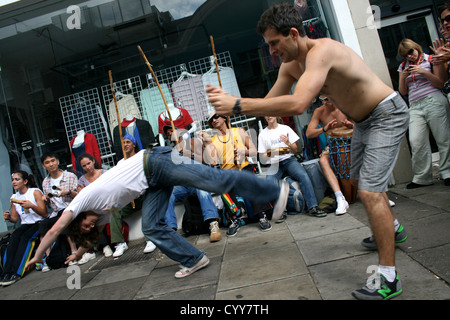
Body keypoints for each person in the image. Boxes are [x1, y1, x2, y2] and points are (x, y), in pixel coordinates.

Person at [206, 3, 410, 300]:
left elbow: (299, 103)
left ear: (293, 34)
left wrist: (237, 104)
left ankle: (389, 279)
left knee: (369, 192)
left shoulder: (321, 52)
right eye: (268, 45)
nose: (272, 51)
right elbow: (271, 101)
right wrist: (232, 106)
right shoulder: (290, 66)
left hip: (386, 114)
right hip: (363, 122)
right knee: (357, 185)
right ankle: (391, 229)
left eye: (275, 43)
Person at [25, 145, 288, 280]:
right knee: (151, 226)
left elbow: (55, 229)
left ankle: (274, 191)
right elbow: (91, 240)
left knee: (215, 181)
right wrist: (77, 254)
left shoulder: (80, 201)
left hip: (157, 161)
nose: (90, 226)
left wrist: (37, 256)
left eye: (84, 226)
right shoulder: (100, 216)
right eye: (88, 228)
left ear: (81, 219)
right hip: (154, 181)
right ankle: (194, 259)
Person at [201, 112, 274, 236]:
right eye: (211, 120)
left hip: (244, 167)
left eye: (216, 117)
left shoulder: (239, 131)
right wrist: (206, 143)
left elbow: (254, 151)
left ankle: (262, 216)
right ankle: (234, 219)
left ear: (224, 118)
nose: (213, 120)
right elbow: (212, 162)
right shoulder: (212, 140)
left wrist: (242, 152)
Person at [398, 39, 450, 188]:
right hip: (415, 105)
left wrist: (423, 72)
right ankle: (422, 177)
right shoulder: (403, 67)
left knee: (443, 138)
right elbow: (403, 92)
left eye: (410, 52)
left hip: (433, 99)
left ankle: (447, 172)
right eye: (405, 55)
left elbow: (441, 83)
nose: (409, 57)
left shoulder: (431, 59)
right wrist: (402, 76)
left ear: (416, 48)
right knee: (416, 140)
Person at [259, 115, 327, 218]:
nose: (269, 116)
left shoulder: (285, 128)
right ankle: (279, 211)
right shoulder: (263, 134)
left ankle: (312, 207)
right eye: (266, 115)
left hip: (289, 160)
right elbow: (262, 157)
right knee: (269, 181)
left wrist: (288, 143)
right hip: (274, 164)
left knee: (303, 175)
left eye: (271, 113)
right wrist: (273, 152)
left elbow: (296, 150)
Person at [110, 134, 156, 257]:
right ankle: (120, 243)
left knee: (148, 206)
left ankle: (150, 239)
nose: (125, 145)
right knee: (113, 209)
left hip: (142, 195)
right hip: (128, 199)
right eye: (123, 142)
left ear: (134, 144)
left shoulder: (141, 156)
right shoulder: (121, 163)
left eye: (128, 142)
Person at [305, 96, 352, 215]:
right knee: (323, 161)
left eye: (326, 99)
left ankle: (377, 192)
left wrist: (352, 126)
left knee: (366, 153)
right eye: (322, 99)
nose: (324, 102)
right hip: (331, 146)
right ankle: (340, 197)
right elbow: (309, 133)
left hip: (352, 143)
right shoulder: (319, 111)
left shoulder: (346, 106)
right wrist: (324, 129)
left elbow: (363, 125)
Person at [1, 171, 47, 286]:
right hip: (26, 224)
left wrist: (31, 206)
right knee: (15, 236)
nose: (14, 182)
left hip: (39, 222)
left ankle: (17, 272)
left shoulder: (35, 192)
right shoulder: (14, 198)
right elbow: (15, 219)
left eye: (17, 179)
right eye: (13, 180)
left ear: (25, 181)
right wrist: (8, 218)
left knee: (26, 237)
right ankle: (7, 272)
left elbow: (45, 214)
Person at [39, 152, 78, 271]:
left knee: (63, 216)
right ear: (43, 166)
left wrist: (68, 192)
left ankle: (74, 252)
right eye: (47, 162)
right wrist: (45, 199)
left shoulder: (70, 176)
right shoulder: (46, 182)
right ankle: (48, 257)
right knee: (43, 225)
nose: (51, 164)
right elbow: (50, 204)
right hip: (56, 212)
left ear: (57, 161)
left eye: (52, 161)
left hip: (72, 208)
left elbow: (80, 197)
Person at [76, 153, 111, 260]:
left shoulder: (104, 173)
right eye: (84, 166)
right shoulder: (82, 180)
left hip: (109, 203)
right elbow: (82, 196)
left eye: (88, 163)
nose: (87, 167)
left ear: (93, 161)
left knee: (102, 215)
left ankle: (105, 245)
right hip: (93, 207)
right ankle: (99, 247)